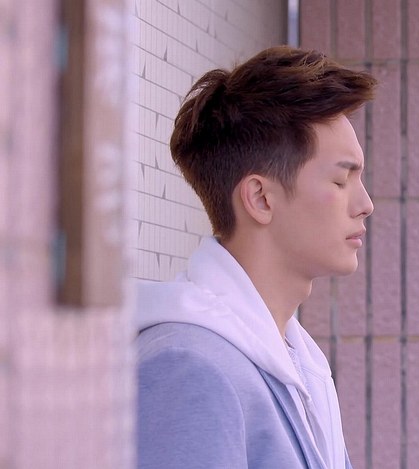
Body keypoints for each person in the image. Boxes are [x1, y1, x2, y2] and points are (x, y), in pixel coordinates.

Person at [135, 46, 376, 469]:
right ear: (261, 198)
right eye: (341, 181)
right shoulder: (189, 368)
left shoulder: (297, 363)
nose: (365, 205)